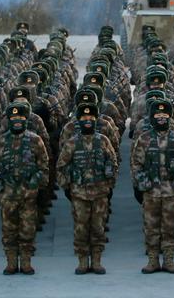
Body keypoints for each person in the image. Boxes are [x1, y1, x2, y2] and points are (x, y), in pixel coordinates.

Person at [130, 99, 174, 274]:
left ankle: (169, 260)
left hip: (172, 192)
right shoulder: (144, 139)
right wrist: (140, 186)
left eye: (165, 115)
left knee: (169, 227)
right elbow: (136, 164)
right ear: (152, 117)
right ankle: (152, 260)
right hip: (150, 192)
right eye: (158, 115)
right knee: (151, 227)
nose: (162, 118)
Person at [56, 103, 118, 275]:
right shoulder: (72, 143)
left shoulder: (103, 141)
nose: (88, 120)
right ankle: (82, 261)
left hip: (100, 193)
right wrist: (67, 188)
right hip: (79, 194)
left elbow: (112, 163)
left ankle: (97, 261)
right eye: (84, 118)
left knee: (98, 228)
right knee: (81, 229)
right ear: (79, 120)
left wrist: (110, 185)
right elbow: (61, 166)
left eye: (91, 118)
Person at [0, 102, 49, 275]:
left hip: (28, 195)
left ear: (26, 120)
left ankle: (26, 262)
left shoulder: (35, 140)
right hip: (7, 194)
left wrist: (35, 182)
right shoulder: (1, 141)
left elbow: (44, 165)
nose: (17, 121)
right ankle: (11, 262)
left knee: (27, 229)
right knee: (8, 230)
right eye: (14, 118)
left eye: (20, 118)